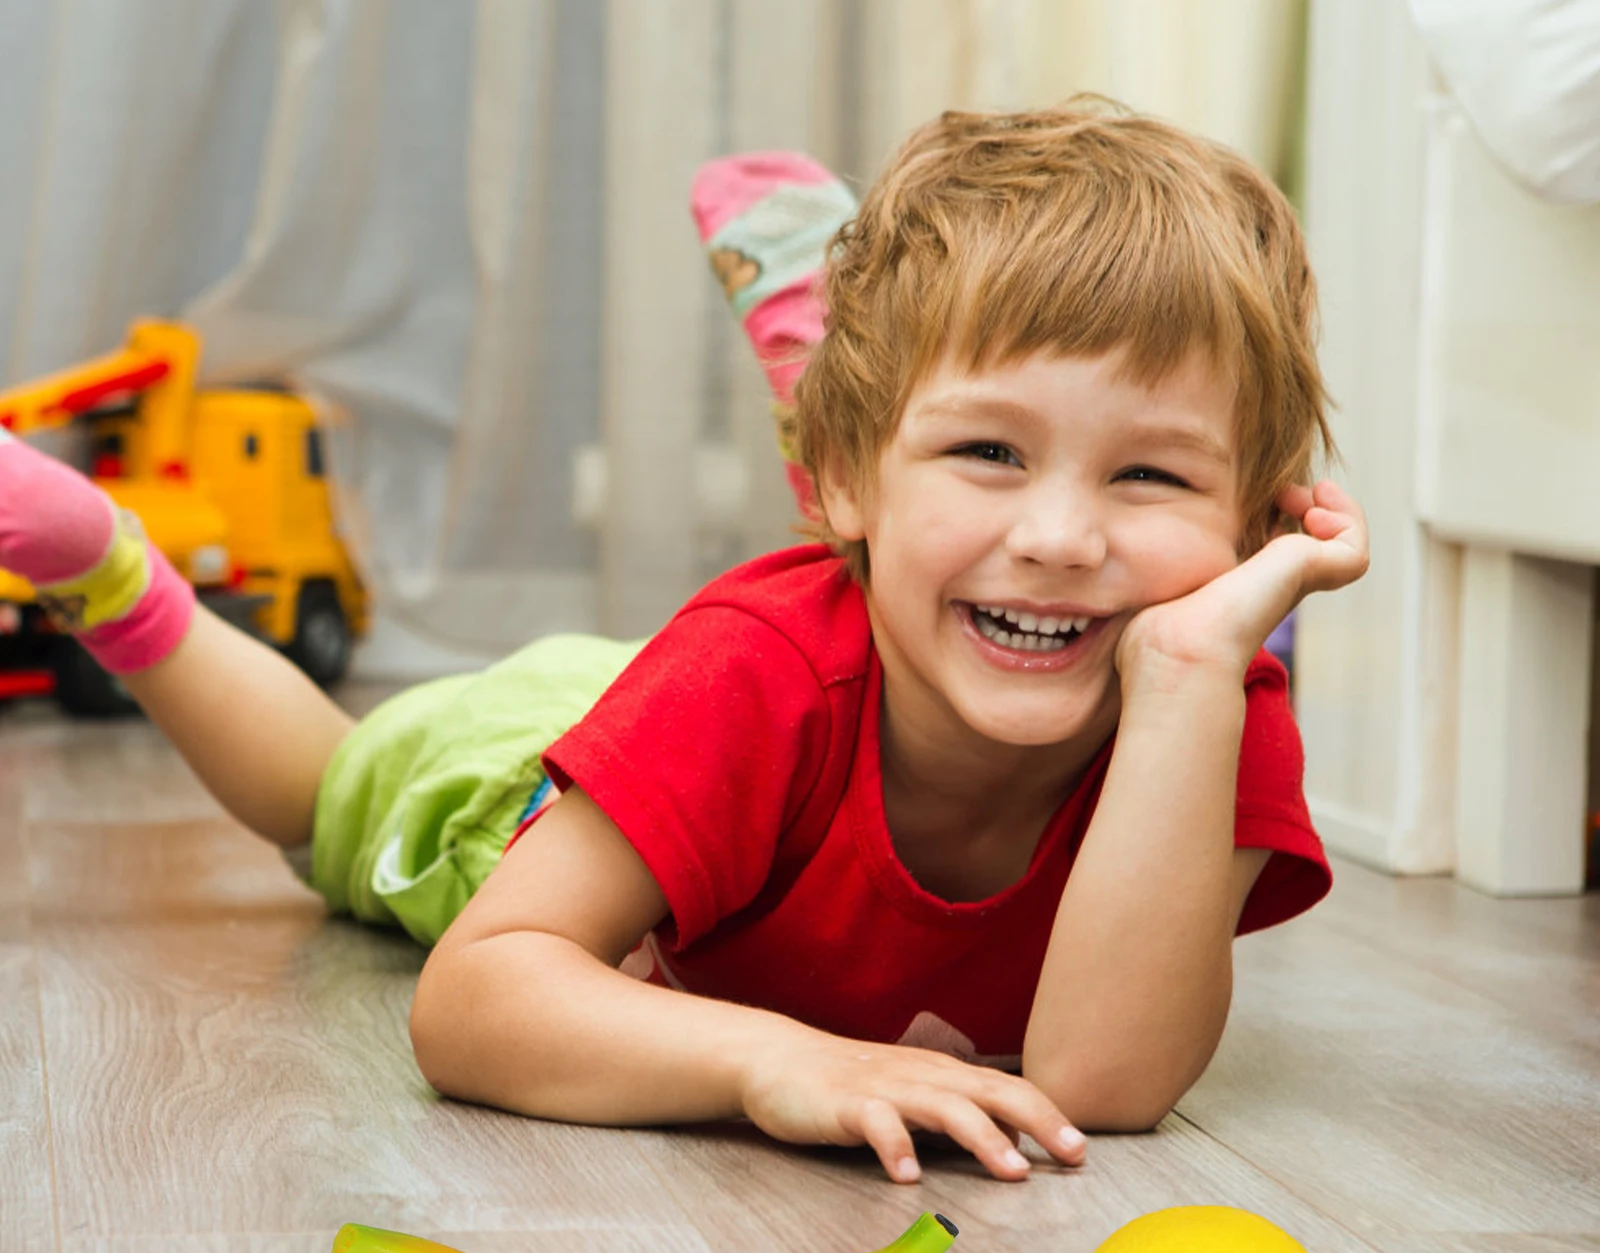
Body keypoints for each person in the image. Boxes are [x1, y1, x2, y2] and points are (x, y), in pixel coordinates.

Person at [0, 99, 1369, 1187]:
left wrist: (1189, 671)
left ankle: (876, 423)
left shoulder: (1207, 690)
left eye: (1152, 479)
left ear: (1252, 535)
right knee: (323, 791)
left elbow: (1099, 1086)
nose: (1068, 537)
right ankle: (108, 569)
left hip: (762, 707)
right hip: (570, 760)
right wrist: (766, 1061)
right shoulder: (753, 671)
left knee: (928, 557)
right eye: (995, 448)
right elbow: (474, 998)